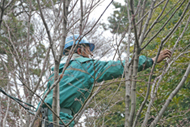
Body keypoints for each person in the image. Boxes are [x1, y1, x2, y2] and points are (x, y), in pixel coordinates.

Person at [37, 34, 172, 127]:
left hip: (44, 120)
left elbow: (44, 99)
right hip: (60, 121)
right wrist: (150, 61)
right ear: (80, 50)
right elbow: (117, 67)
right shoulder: (86, 66)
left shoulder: (56, 70)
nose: (90, 54)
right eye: (89, 51)